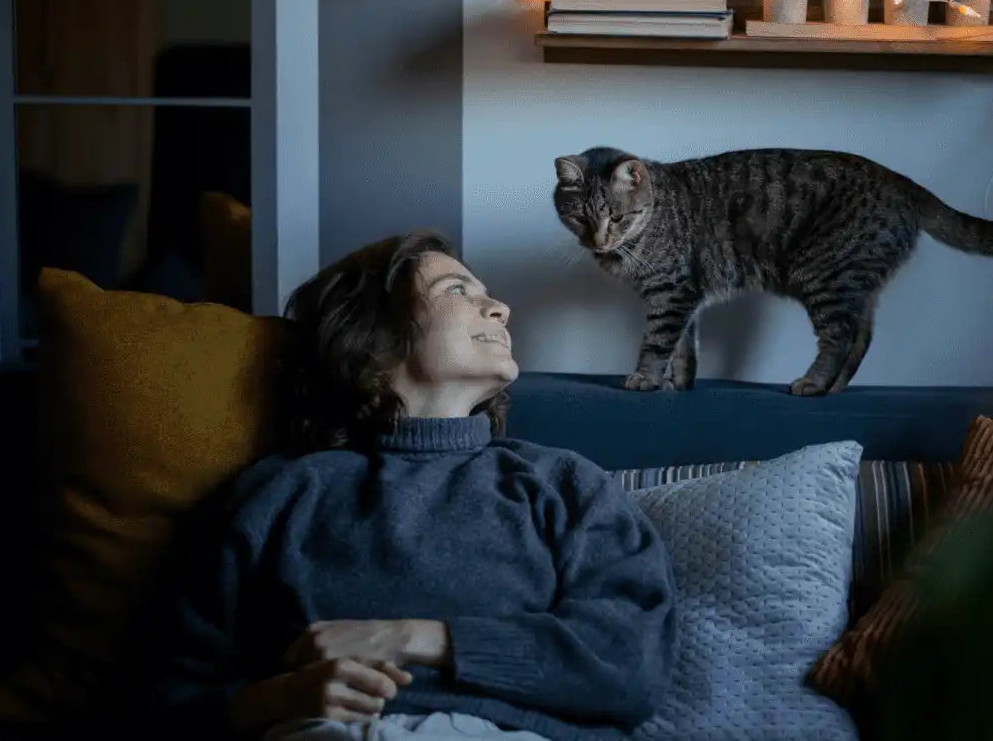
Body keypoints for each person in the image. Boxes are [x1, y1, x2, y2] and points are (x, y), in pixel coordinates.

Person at [147, 231, 679, 741]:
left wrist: (413, 638)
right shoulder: (276, 495)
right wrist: (275, 701)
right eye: (456, 290)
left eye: (485, 294)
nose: (500, 308)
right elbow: (161, 697)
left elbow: (632, 665)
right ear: (375, 336)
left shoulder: (563, 486)